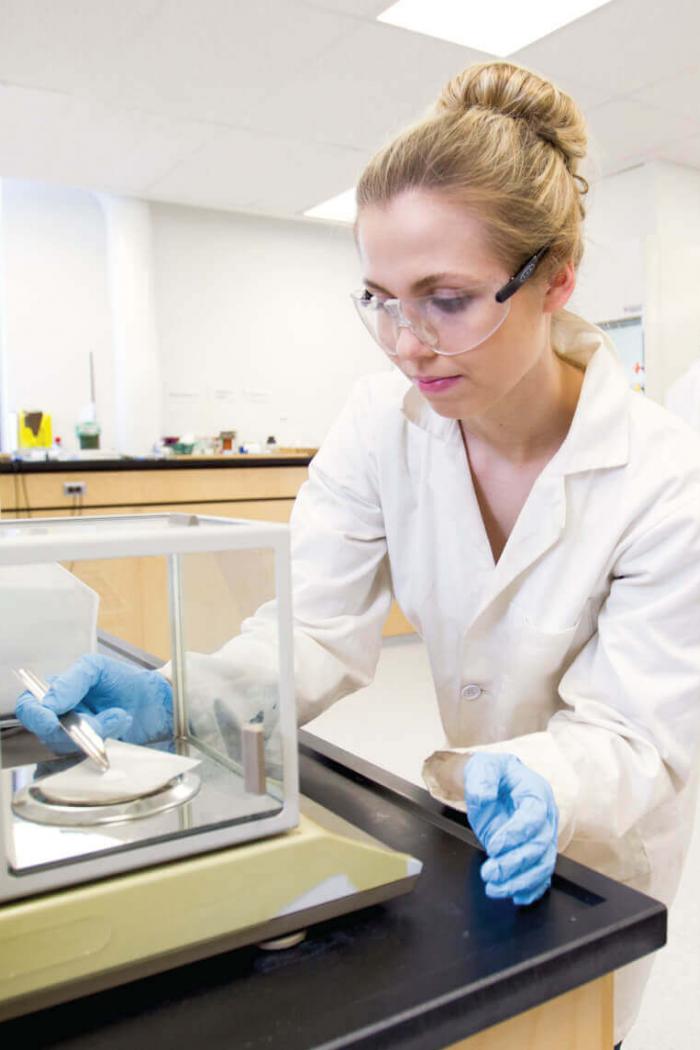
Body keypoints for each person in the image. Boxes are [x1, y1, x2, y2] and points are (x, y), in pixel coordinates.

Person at [15, 62, 700, 1047]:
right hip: (469, 838)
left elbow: (635, 730)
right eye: (379, 298)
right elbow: (313, 625)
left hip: (604, 844)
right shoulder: (382, 421)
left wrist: (553, 779)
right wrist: (182, 694)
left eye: (446, 299)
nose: (405, 344)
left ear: (555, 277)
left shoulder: (665, 477)